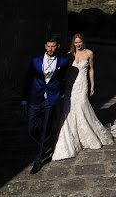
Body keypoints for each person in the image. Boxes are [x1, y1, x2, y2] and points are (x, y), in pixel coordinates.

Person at [52, 34, 116, 161]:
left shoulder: (89, 53)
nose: (78, 44)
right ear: (73, 43)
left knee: (81, 106)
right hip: (71, 85)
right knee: (69, 108)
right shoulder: (70, 54)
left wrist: (92, 85)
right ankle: (71, 137)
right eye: (76, 42)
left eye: (80, 42)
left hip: (82, 84)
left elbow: (91, 69)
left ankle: (88, 133)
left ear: (83, 42)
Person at [21, 33, 76, 174]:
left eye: (53, 46)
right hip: (36, 97)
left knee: (46, 127)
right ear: (45, 46)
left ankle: (38, 160)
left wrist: (61, 93)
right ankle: (45, 144)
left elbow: (63, 79)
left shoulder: (62, 62)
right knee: (31, 128)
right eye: (48, 46)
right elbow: (27, 80)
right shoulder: (36, 61)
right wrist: (24, 99)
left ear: (57, 46)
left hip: (51, 99)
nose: (50, 48)